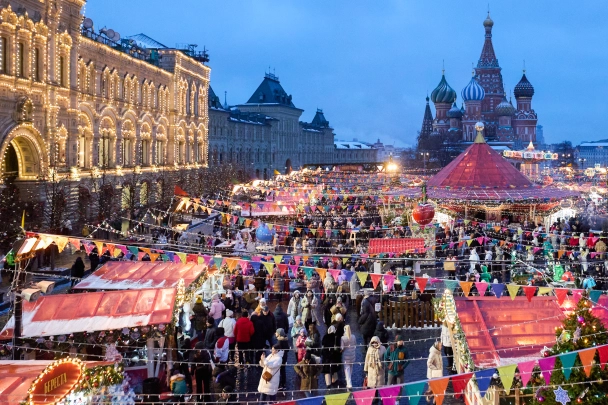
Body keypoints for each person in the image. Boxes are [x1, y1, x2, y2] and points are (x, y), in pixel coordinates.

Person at [341, 324, 357, 389]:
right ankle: (348, 379)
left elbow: (342, 348)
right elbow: (355, 344)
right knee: (350, 368)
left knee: (346, 369)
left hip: (346, 356)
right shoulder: (353, 336)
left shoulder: (343, 338)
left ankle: (349, 383)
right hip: (352, 355)